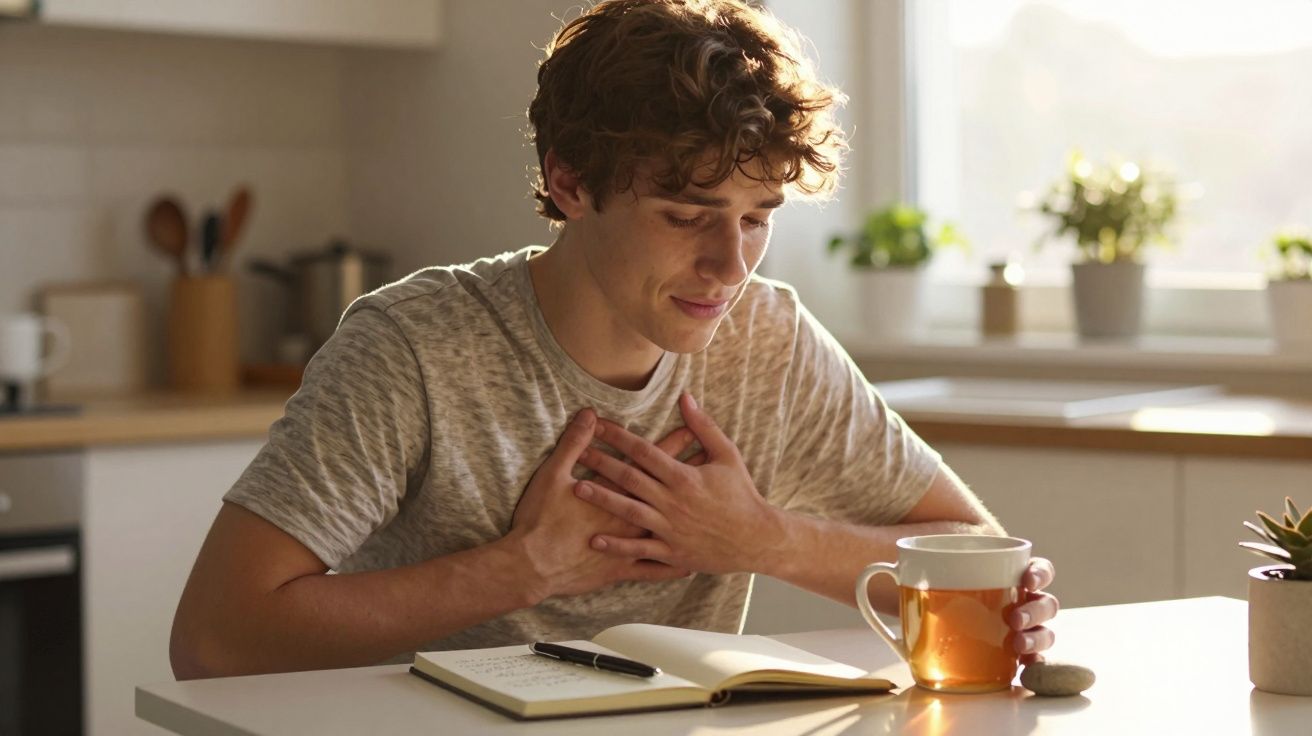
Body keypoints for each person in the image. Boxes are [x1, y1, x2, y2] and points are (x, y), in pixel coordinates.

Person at [170, 0, 1058, 679]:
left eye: (758, 219)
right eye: (686, 216)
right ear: (569, 183)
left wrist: (761, 540)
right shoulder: (414, 346)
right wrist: (520, 569)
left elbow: (972, 559)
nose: (729, 265)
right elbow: (212, 640)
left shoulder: (768, 338)